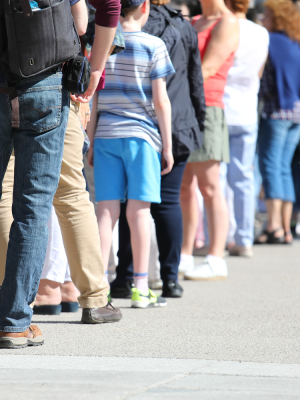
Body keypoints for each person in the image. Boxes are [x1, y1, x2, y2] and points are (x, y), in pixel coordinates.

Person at [0, 0, 121, 350]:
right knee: (33, 207)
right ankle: (15, 325)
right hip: (46, 81)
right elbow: (83, 22)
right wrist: (94, 67)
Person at [109, 0, 206, 300]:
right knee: (168, 204)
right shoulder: (182, 24)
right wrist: (198, 121)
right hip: (178, 123)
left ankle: (125, 278)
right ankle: (170, 278)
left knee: (129, 203)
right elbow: (195, 79)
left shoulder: (131, 26)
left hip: (134, 124)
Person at [88, 0, 175, 308]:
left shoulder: (104, 44)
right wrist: (168, 144)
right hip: (142, 136)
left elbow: (94, 97)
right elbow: (162, 102)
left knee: (105, 211)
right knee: (139, 211)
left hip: (106, 135)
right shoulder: (154, 45)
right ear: (145, 8)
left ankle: (97, 286)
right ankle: (140, 285)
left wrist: (91, 137)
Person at [179, 0, 239, 280]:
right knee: (184, 186)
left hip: (208, 108)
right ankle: (185, 254)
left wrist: (169, 87)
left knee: (210, 185)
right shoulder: (195, 20)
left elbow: (207, 68)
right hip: (185, 107)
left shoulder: (227, 22)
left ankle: (216, 258)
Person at [218, 0, 269, 257]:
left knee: (217, 178)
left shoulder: (222, 25)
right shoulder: (261, 31)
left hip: (221, 105)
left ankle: (220, 237)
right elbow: (258, 72)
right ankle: (244, 238)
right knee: (243, 178)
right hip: (248, 107)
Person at [255, 0, 300, 245]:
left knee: (271, 168)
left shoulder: (272, 42)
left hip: (276, 112)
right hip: (296, 113)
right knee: (284, 169)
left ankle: (273, 226)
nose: (262, 19)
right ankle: (285, 226)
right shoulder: (295, 43)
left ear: (277, 17)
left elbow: (265, 83)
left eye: (267, 15)